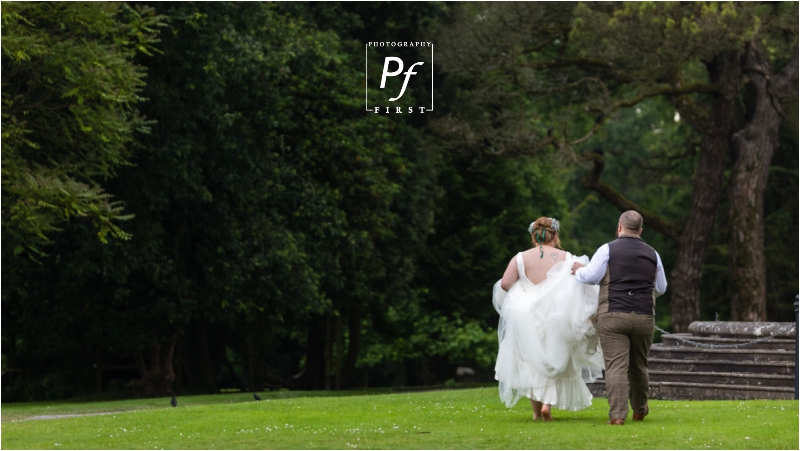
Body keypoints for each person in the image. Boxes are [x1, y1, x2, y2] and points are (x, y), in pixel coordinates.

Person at [493, 217, 604, 422]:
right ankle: (546, 405)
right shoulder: (568, 257)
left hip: (528, 318)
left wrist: (524, 293)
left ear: (534, 236)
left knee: (532, 363)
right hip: (557, 316)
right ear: (555, 235)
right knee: (557, 359)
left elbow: (506, 284)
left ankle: (537, 413)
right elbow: (579, 283)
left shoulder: (520, 258)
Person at [571, 210, 667, 425]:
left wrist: (578, 270)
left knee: (616, 366)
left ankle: (617, 417)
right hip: (644, 316)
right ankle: (640, 411)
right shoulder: (653, 253)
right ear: (640, 230)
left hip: (613, 314)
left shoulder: (607, 249)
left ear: (619, 227)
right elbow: (661, 287)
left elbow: (590, 277)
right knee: (639, 365)